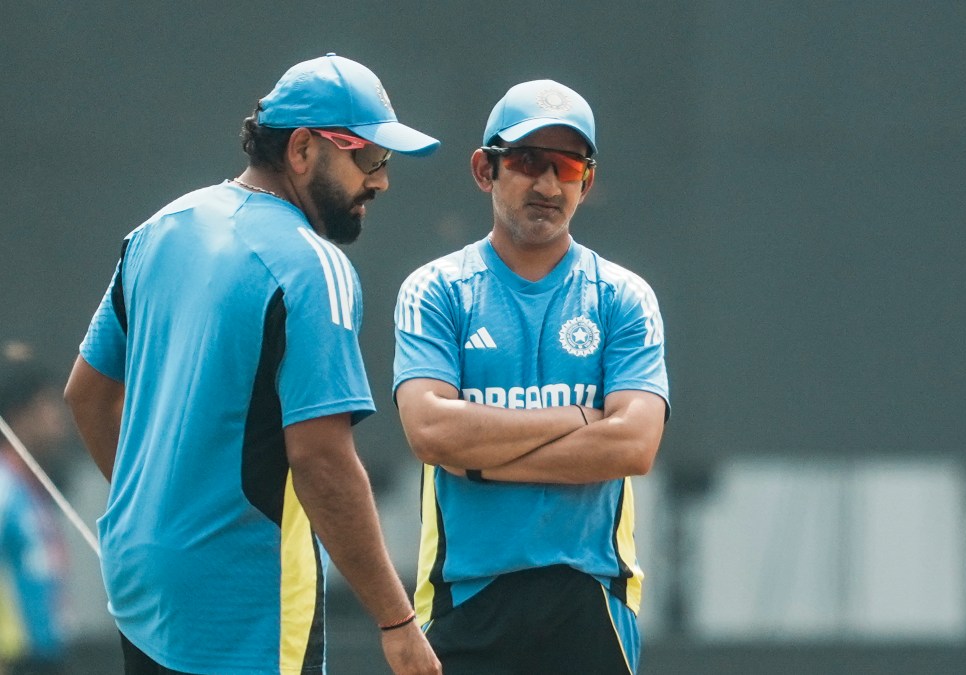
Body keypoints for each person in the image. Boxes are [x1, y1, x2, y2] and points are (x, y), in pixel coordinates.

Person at [63, 54, 442, 675]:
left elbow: (87, 395)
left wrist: (159, 510)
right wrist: (398, 624)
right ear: (302, 149)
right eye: (369, 158)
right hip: (243, 606)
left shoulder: (161, 228)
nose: (381, 181)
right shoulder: (312, 266)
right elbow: (322, 462)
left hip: (142, 581)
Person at [392, 79, 670, 673]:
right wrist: (578, 420)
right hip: (466, 596)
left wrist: (481, 459)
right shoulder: (436, 288)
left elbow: (634, 443)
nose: (547, 185)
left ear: (586, 182)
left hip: (590, 595)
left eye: (566, 166)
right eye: (526, 161)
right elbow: (431, 433)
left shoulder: (623, 296)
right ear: (483, 170)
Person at [0, 343, 71, 675]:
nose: (59, 418)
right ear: (19, 414)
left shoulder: (31, 490)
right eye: (47, 404)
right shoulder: (4, 488)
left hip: (43, 659)